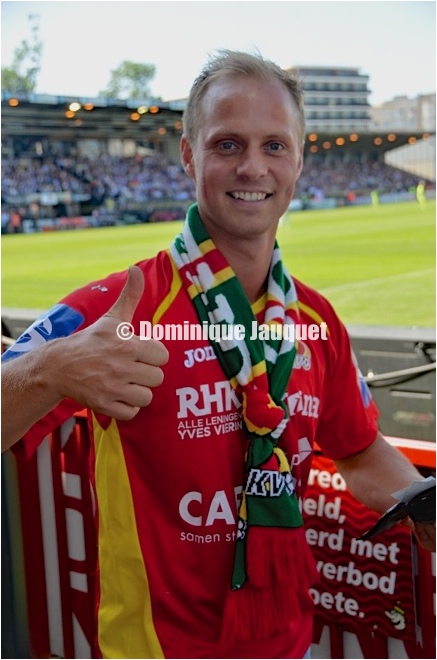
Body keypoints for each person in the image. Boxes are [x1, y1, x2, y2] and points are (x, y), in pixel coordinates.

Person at [2, 50, 435, 660]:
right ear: (188, 155)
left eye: (274, 146)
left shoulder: (316, 322)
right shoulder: (120, 308)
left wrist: (419, 498)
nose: (253, 167)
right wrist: (50, 370)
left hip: (287, 643)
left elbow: (359, 449)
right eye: (227, 144)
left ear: (299, 160)